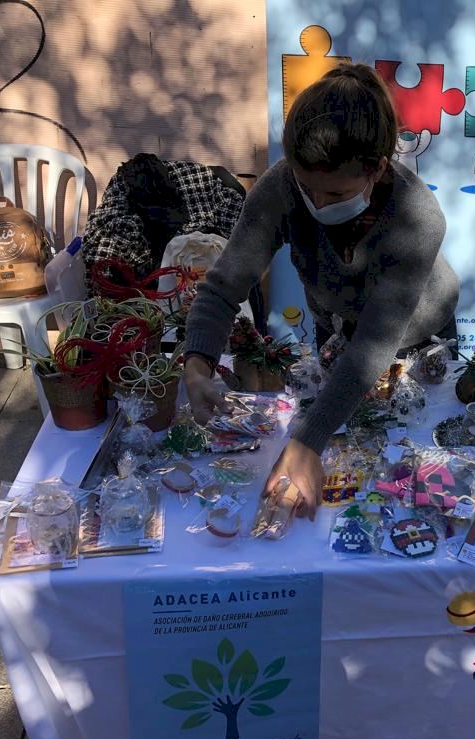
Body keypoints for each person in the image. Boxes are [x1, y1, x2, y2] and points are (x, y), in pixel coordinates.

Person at [183, 63, 460, 518]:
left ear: (377, 169)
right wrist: (197, 364)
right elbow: (223, 285)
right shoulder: (281, 186)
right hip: (340, 328)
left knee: (412, 470)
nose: (317, 203)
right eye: (306, 187)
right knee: (349, 443)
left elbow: (375, 343)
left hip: (419, 336)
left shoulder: (418, 218)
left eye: (335, 194)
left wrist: (308, 441)